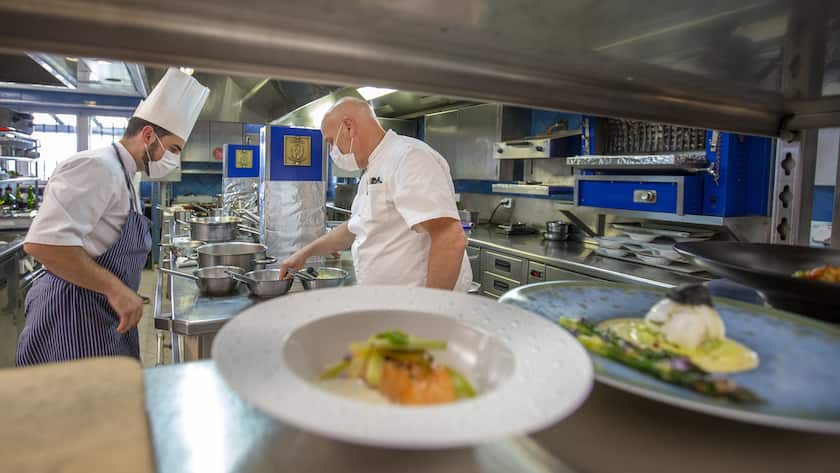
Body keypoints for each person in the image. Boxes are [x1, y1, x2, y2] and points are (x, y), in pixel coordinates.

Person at [17, 68, 209, 366]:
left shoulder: (125, 174)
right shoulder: (96, 167)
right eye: (172, 148)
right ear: (148, 135)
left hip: (101, 313)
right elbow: (44, 245)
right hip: (70, 315)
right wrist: (115, 289)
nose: (172, 158)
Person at [280, 97, 471, 290]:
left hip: (415, 301)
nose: (332, 151)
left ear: (348, 127)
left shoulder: (408, 157)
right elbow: (355, 228)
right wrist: (304, 254)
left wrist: (430, 306)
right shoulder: (373, 167)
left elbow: (450, 237)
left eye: (331, 142)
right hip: (388, 299)